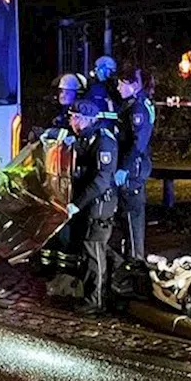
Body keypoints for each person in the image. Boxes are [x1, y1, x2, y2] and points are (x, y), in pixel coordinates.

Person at [66, 99, 118, 314]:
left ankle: (94, 301)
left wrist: (76, 205)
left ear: (82, 119)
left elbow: (101, 180)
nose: (70, 121)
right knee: (94, 249)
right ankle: (104, 292)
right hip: (92, 202)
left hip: (100, 204)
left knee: (93, 249)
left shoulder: (103, 141)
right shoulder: (87, 137)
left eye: (72, 117)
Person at [115, 68, 155, 260]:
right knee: (128, 216)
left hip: (133, 169)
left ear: (135, 85)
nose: (118, 87)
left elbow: (138, 142)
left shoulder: (137, 107)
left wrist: (124, 167)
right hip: (134, 166)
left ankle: (135, 264)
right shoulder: (136, 103)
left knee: (132, 216)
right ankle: (131, 259)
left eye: (122, 83)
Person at [43, 73, 86, 139]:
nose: (63, 95)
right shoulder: (64, 109)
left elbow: (73, 136)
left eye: (67, 92)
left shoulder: (79, 113)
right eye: (61, 91)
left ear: (77, 94)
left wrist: (48, 132)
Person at [85, 56, 119, 125]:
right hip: (99, 125)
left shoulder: (109, 87)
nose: (110, 74)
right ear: (102, 69)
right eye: (110, 70)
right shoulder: (96, 88)